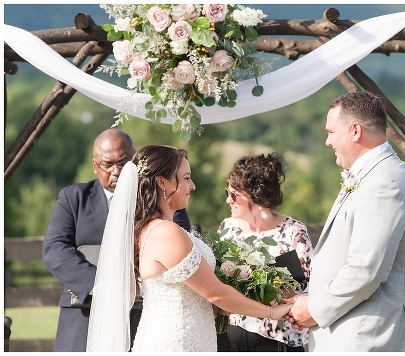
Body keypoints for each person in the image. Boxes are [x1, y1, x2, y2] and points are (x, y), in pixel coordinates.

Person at [84, 145, 293, 352]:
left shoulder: (159, 229)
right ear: (162, 182)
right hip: (177, 341)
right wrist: (272, 312)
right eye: (186, 178)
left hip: (189, 336)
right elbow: (216, 294)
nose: (192, 185)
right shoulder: (165, 232)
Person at [287, 91, 405, 351]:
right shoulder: (375, 175)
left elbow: (366, 270)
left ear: (355, 131)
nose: (327, 142)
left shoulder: (383, 183)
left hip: (368, 338)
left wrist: (314, 309)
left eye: (331, 132)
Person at [41, 129, 191, 352]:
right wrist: (104, 287)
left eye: (123, 162)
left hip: (143, 316)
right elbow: (55, 249)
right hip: (84, 315)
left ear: (135, 160)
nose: (116, 171)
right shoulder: (73, 198)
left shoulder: (163, 197)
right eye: (107, 164)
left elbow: (180, 247)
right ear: (95, 165)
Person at [218, 153, 313, 351]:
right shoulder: (227, 228)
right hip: (231, 336)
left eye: (234, 194)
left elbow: (304, 290)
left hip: (279, 340)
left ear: (255, 196)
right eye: (227, 192)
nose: (228, 200)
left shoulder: (293, 232)